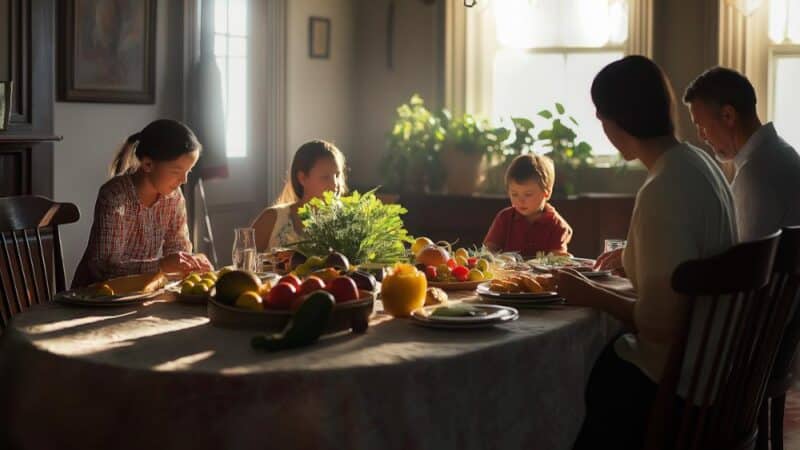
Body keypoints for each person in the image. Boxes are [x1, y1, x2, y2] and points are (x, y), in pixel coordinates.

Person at [558, 55, 737, 450]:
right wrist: (632, 258)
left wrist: (588, 293)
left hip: (679, 383)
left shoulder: (662, 188)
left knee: (570, 377)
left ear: (615, 122)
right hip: (717, 369)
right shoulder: (698, 162)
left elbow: (660, 322)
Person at [72, 119, 213, 288]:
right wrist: (161, 265)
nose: (183, 180)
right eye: (177, 171)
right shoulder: (115, 196)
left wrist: (190, 264)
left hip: (139, 294)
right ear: (147, 164)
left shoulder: (173, 198)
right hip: (95, 299)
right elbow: (102, 268)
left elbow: (178, 249)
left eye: (188, 171)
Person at [683, 66, 800, 241]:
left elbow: (745, 262)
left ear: (728, 116)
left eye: (701, 126)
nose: (701, 137)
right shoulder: (783, 153)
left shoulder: (755, 175)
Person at [251, 140, 347, 252]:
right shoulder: (271, 219)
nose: (335, 184)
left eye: (337, 175)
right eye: (325, 177)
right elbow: (242, 264)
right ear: (302, 178)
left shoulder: (346, 223)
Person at [483, 154, 572, 257]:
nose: (520, 200)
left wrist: (561, 257)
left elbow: (557, 258)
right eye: (514, 194)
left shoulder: (558, 226)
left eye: (528, 194)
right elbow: (488, 250)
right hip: (507, 272)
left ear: (546, 193)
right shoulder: (504, 218)